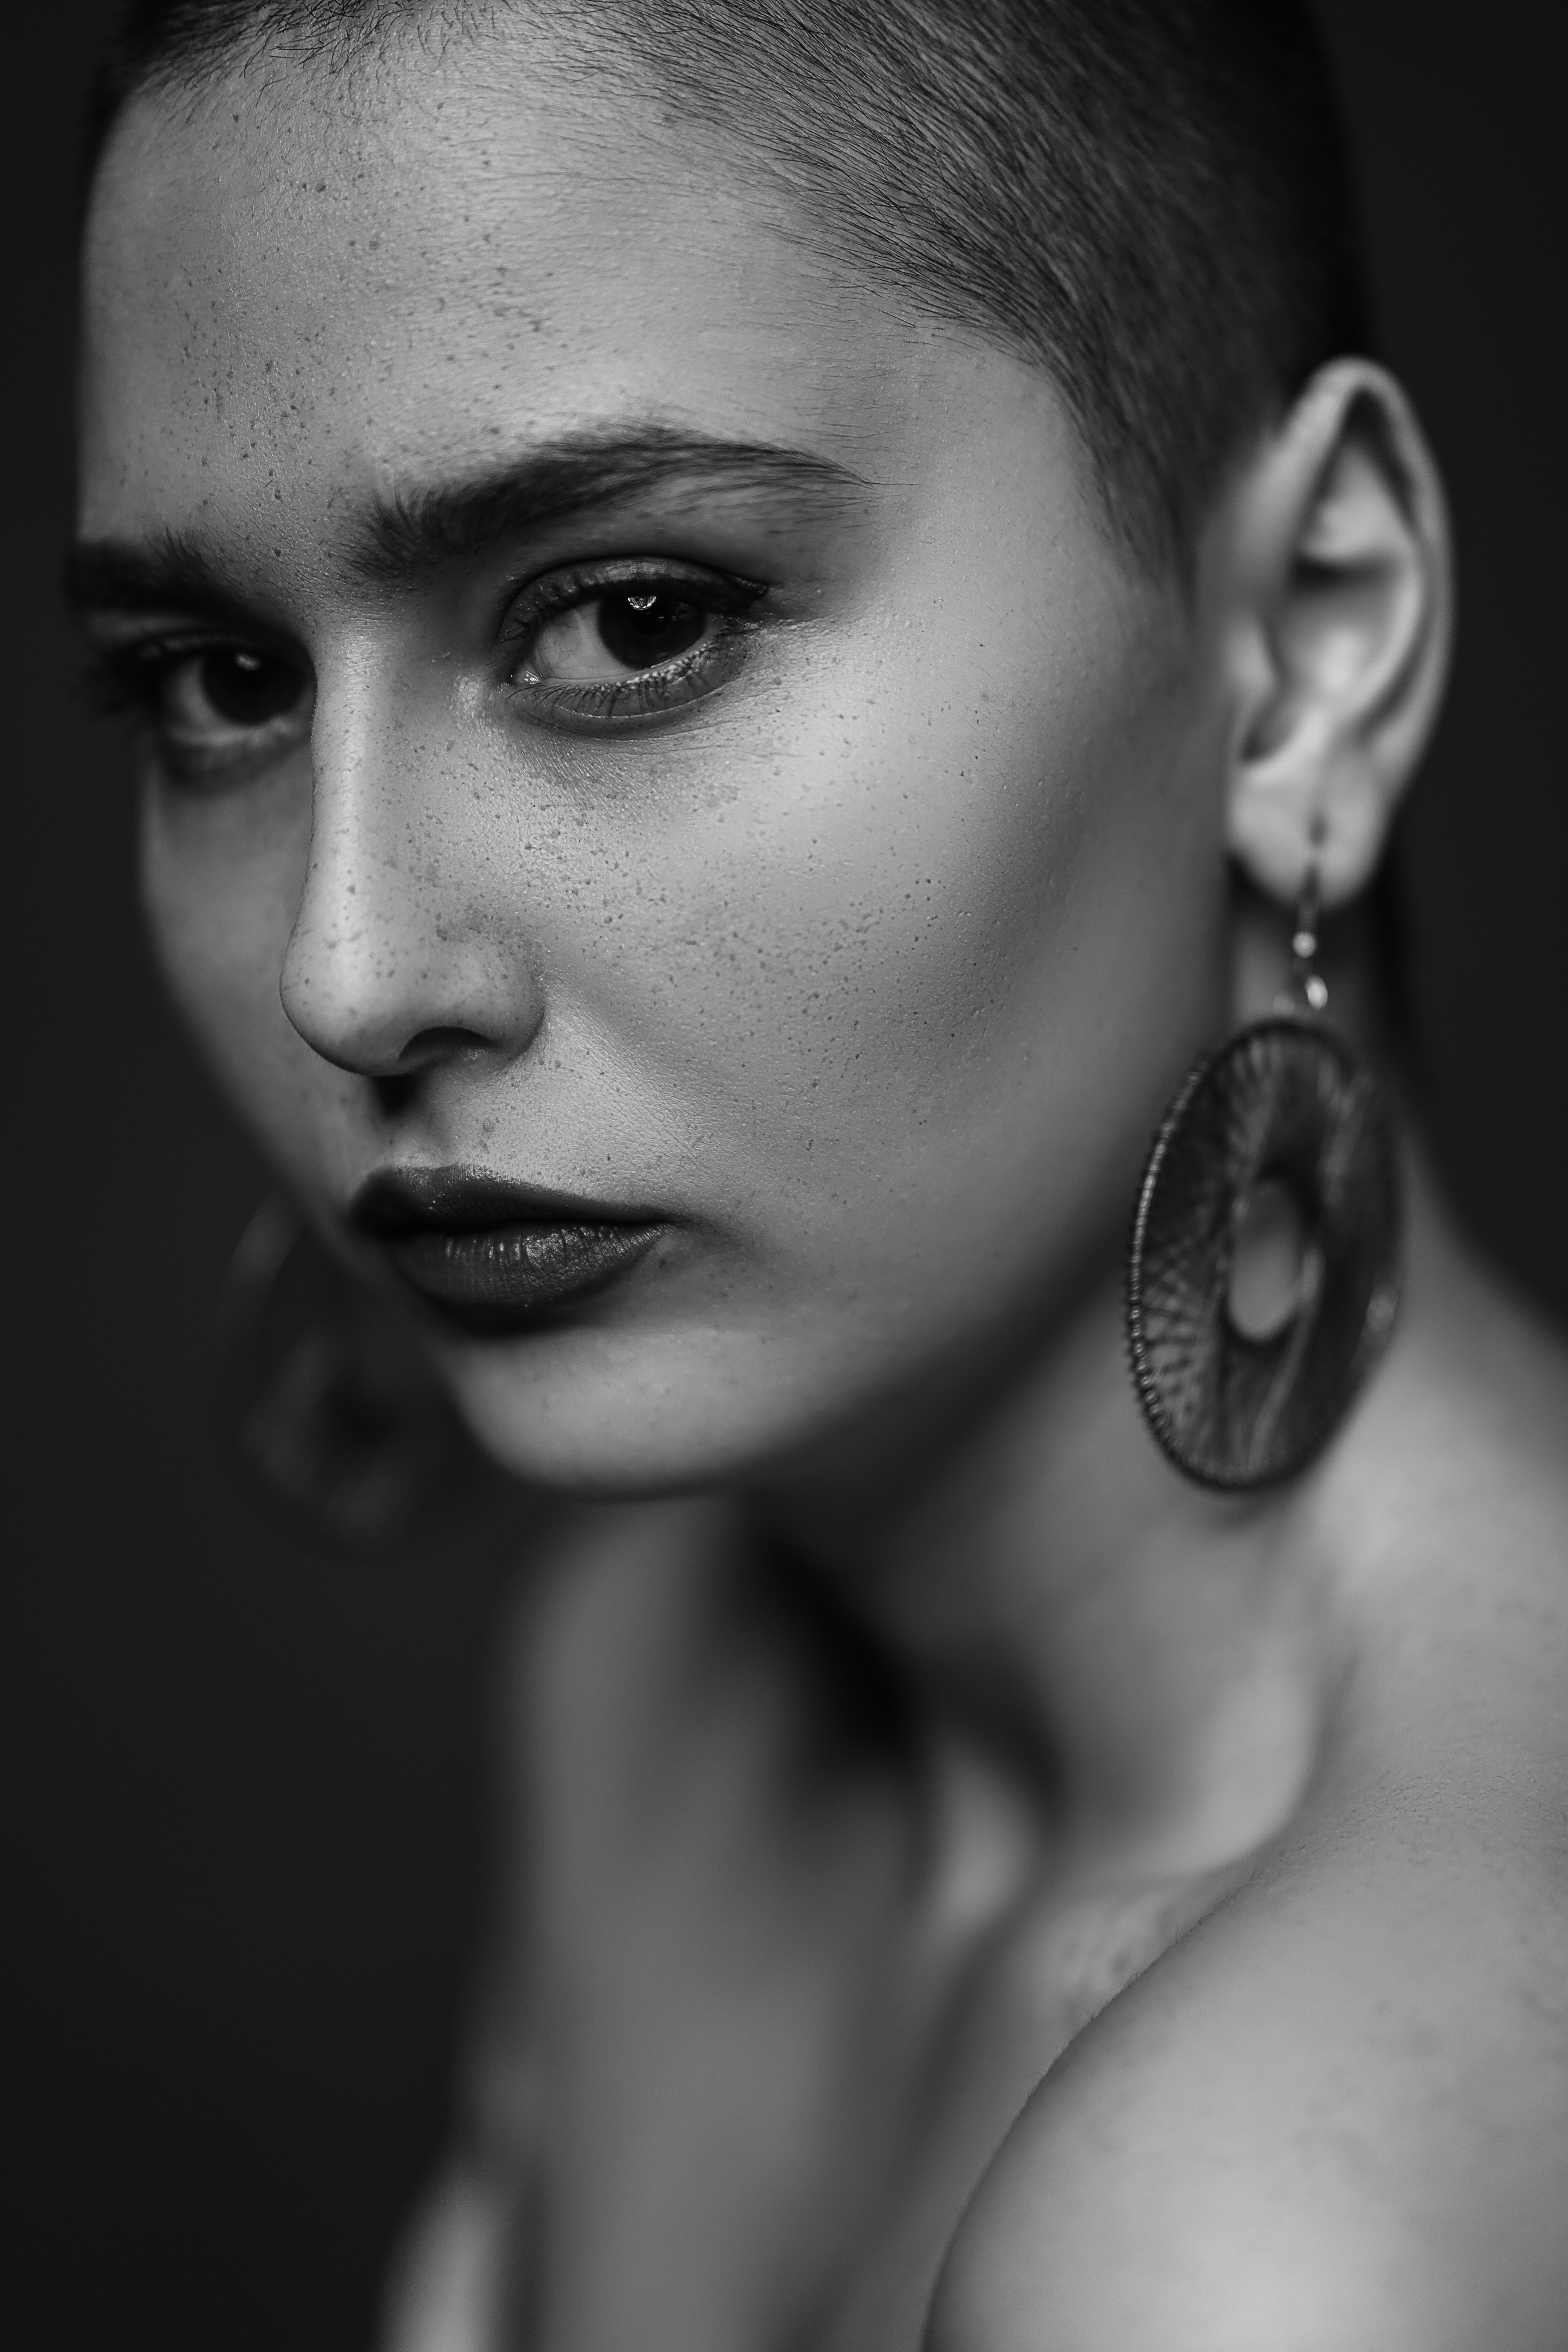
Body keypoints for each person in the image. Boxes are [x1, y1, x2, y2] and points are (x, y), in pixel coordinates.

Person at [69, 0, 1568, 2344]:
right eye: (222, 683)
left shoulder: (1281, 2224)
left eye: (632, 620)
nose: (345, 972)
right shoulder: (642, 1681)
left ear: (1304, 650)